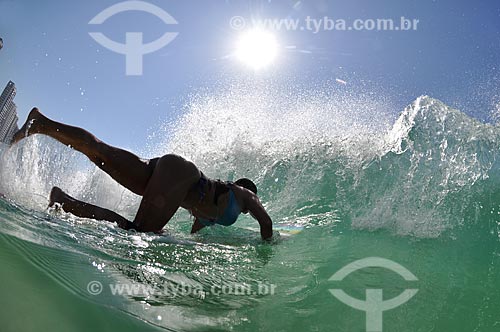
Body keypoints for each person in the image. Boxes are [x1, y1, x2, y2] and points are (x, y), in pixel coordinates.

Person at [11, 108, 273, 240]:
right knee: (138, 233)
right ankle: (65, 202)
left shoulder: (211, 215)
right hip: (181, 176)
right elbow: (267, 223)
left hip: (171, 172)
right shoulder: (245, 195)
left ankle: (41, 123)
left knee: (101, 154)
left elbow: (194, 234)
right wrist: (268, 247)